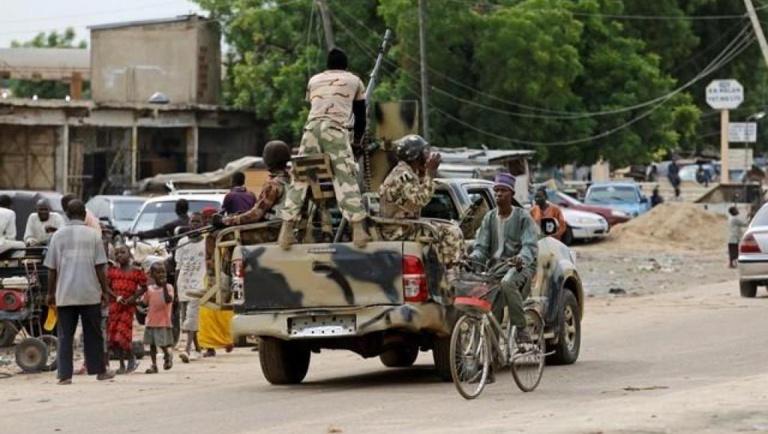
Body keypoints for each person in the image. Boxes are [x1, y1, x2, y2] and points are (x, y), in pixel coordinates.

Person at [278, 47, 370, 250]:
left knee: (301, 177)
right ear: (346, 66)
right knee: (345, 176)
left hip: (310, 129)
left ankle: (286, 228)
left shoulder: (314, 80)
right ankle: (358, 230)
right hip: (335, 130)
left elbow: (314, 106)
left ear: (327, 66)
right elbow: (361, 117)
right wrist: (356, 142)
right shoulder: (354, 80)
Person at [44, 199, 116, 384]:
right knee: (93, 334)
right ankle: (99, 371)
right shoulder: (94, 235)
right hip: (89, 293)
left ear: (67, 215)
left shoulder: (57, 236)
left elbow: (51, 269)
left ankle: (64, 375)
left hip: (65, 294)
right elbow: (101, 267)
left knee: (65, 335)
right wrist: (105, 290)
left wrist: (50, 293)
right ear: (84, 214)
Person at [468, 173, 539, 343]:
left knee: (507, 282)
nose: (499, 194)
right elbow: (481, 248)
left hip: (521, 268)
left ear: (512, 194)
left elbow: (530, 246)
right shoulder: (489, 218)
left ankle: (521, 328)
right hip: (496, 269)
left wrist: (521, 258)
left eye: (503, 191)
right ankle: (492, 353)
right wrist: (471, 258)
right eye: (496, 190)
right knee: (492, 306)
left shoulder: (523, 217)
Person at [378, 134, 464, 272]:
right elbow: (419, 201)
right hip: (399, 230)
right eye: (424, 152)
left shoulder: (408, 172)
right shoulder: (402, 175)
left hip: (405, 226)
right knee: (451, 232)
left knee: (447, 226)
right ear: (414, 155)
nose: (427, 155)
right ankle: (452, 275)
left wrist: (424, 174)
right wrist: (430, 173)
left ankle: (444, 271)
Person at [222, 140, 293, 227]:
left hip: (273, 230)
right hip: (284, 227)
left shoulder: (273, 184)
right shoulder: (292, 180)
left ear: (269, 159)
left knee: (216, 235)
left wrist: (227, 220)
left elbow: (256, 214)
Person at [107, 244, 147, 374]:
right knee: (113, 339)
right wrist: (116, 297)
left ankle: (131, 357)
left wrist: (133, 298)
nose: (119, 255)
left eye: (122, 252)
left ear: (129, 254)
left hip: (128, 307)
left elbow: (144, 286)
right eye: (117, 253)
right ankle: (121, 364)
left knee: (122, 336)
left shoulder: (136, 271)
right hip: (114, 306)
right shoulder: (112, 271)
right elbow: (106, 287)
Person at [175, 213, 206, 363]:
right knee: (184, 318)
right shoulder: (182, 242)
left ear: (202, 224)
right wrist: (176, 288)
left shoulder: (207, 243)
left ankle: (186, 349)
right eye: (192, 222)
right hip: (183, 283)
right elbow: (178, 267)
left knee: (191, 316)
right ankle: (198, 349)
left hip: (198, 283)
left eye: (197, 222)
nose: (194, 225)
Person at [139, 261, 175, 374]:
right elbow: (144, 303)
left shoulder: (169, 287)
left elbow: (168, 300)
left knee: (162, 343)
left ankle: (167, 355)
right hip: (151, 321)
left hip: (163, 321)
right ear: (152, 275)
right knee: (152, 345)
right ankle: (154, 365)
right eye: (158, 273)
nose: (162, 275)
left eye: (163, 272)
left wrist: (164, 286)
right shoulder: (149, 289)